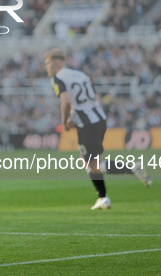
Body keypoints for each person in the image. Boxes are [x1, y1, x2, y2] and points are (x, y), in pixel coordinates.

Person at [43, 48, 152, 210]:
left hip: (87, 124)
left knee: (91, 165)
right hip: (100, 119)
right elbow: (96, 99)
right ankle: (103, 198)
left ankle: (131, 169)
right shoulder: (81, 75)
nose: (46, 67)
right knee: (93, 162)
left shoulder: (57, 78)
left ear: (57, 63)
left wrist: (64, 122)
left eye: (48, 64)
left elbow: (65, 102)